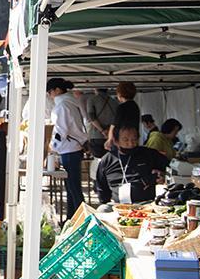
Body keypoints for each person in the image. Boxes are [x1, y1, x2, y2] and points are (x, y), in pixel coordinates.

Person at [47, 78, 88, 219]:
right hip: (73, 148)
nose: (49, 95)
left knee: (73, 188)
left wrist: (51, 148)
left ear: (57, 90)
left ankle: (82, 218)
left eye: (50, 92)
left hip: (68, 149)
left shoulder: (62, 106)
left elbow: (60, 132)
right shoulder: (71, 103)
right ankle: (72, 217)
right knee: (71, 187)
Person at [96, 124, 168, 204]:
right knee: (102, 210)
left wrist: (162, 176)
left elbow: (168, 169)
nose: (130, 144)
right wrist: (105, 202)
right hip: (116, 205)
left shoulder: (149, 154)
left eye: (134, 139)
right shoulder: (107, 160)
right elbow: (101, 187)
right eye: (126, 140)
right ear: (116, 141)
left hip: (146, 203)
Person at [107, 81, 140, 151]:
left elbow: (114, 125)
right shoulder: (135, 106)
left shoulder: (121, 107)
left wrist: (110, 140)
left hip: (122, 141)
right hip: (133, 139)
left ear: (120, 94)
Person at [85, 88, 117, 158]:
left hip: (96, 135)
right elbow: (116, 119)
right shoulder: (114, 101)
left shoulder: (91, 100)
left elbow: (92, 117)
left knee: (98, 158)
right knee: (110, 159)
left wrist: (102, 131)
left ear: (95, 89)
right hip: (110, 136)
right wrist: (108, 132)